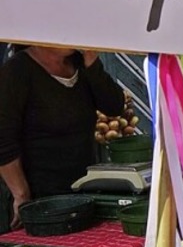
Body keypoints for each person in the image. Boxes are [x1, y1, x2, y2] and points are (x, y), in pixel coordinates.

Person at [0, 46, 124, 229]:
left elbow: (114, 106)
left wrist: (92, 64)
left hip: (83, 192)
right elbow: (3, 138)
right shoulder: (17, 71)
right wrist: (21, 194)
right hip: (39, 199)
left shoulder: (80, 64)